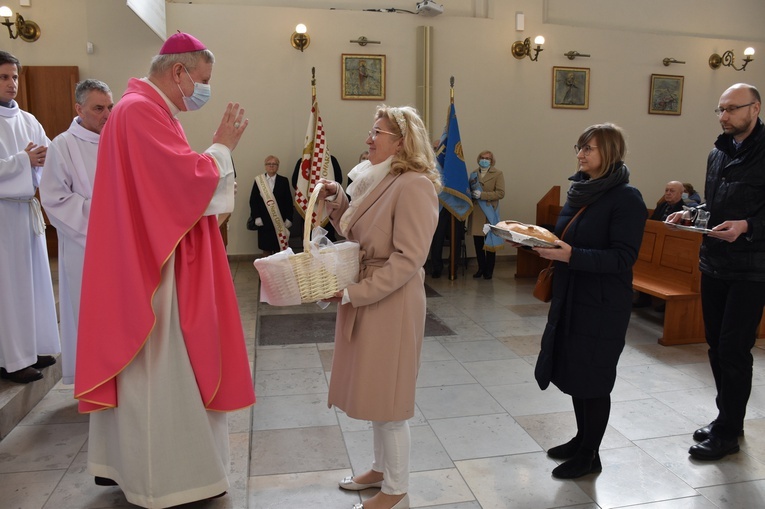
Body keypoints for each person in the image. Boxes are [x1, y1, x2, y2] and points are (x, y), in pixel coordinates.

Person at [74, 32, 255, 508]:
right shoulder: (138, 112)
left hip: (149, 257)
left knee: (159, 375)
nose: (204, 89)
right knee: (163, 371)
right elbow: (184, 186)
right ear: (179, 72)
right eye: (203, 80)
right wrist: (221, 148)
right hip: (154, 273)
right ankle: (169, 477)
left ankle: (143, 466)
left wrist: (212, 155)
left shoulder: (147, 110)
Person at [318, 105, 440, 509]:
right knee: (374, 389)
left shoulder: (414, 185)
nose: (369, 138)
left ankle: (396, 490)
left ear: (401, 141)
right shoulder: (379, 178)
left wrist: (356, 293)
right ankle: (379, 468)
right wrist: (337, 202)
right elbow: (355, 231)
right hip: (370, 292)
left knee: (391, 400)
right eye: (371, 131)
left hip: (392, 301)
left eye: (378, 132)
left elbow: (408, 259)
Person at [533, 123, 646, 479]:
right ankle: (581, 439)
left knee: (594, 380)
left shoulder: (627, 198)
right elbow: (567, 238)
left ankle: (590, 454)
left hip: (602, 304)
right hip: (572, 295)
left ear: (609, 153)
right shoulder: (580, 190)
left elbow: (623, 258)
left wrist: (571, 256)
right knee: (574, 372)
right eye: (579, 147)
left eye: (590, 149)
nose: (581, 154)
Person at [667, 83, 765, 461]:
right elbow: (718, 199)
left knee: (734, 349)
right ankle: (730, 419)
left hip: (752, 267)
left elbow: (750, 213)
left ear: (754, 109)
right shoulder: (717, 153)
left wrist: (748, 226)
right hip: (715, 261)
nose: (723, 116)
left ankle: (726, 432)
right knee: (714, 344)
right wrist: (693, 212)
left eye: (731, 109)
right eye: (719, 110)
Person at [39, 79, 113, 386]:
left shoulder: (118, 139)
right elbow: (54, 199)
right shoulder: (63, 145)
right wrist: (105, 214)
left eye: (110, 107)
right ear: (78, 108)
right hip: (85, 247)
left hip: (122, 246)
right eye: (98, 108)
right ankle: (97, 383)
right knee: (92, 315)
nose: (107, 115)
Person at [0, 50, 60, 384]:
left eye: (15, 77)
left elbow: (48, 154)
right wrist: (23, 161)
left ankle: (33, 347)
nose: (12, 84)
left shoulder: (27, 119)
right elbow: (25, 161)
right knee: (9, 289)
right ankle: (12, 359)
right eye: (4, 77)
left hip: (26, 211)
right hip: (2, 217)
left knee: (34, 284)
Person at [468, 150, 505, 279]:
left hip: (490, 212)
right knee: (478, 243)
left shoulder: (498, 174)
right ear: (479, 159)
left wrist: (482, 195)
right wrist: (471, 196)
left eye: (487, 158)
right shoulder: (473, 174)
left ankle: (489, 270)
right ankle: (481, 268)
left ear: (491, 160)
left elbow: (501, 193)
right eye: (482, 158)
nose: (485, 160)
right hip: (477, 212)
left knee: (490, 243)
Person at [250, 155, 293, 256]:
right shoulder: (259, 181)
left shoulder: (284, 181)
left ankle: (278, 268)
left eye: (274, 164)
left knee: (279, 247)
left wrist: (289, 218)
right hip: (264, 221)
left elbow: (288, 201)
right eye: (269, 164)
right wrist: (256, 217)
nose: (271, 166)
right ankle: (267, 269)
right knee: (266, 248)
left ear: (278, 166)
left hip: (279, 220)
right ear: (265, 166)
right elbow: (253, 200)